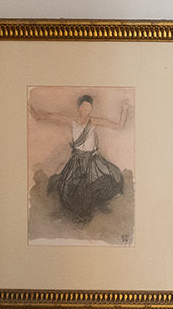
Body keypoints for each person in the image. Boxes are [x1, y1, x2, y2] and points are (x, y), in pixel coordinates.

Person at [29, 91, 131, 225]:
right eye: (83, 107)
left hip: (92, 160)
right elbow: (52, 116)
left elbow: (119, 126)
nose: (86, 110)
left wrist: (124, 109)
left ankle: (85, 215)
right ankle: (79, 214)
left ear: (91, 108)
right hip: (77, 160)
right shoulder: (73, 121)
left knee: (97, 183)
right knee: (69, 187)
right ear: (79, 108)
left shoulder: (93, 121)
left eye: (88, 107)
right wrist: (34, 114)